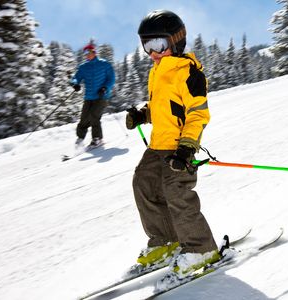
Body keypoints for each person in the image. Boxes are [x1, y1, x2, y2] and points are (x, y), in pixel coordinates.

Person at [125, 10, 219, 279]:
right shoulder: (157, 71)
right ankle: (165, 241)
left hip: (180, 147)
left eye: (159, 45)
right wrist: (143, 114)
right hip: (157, 145)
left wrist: (187, 147)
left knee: (177, 194)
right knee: (143, 184)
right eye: (147, 46)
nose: (153, 53)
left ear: (176, 41)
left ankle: (201, 248)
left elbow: (197, 113)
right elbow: (162, 107)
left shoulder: (189, 73)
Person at [70, 42, 115, 147]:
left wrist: (105, 87)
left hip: (101, 96)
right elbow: (76, 78)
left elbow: (111, 78)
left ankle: (97, 138)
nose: (87, 54)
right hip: (88, 97)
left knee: (94, 116)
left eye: (89, 52)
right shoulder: (83, 67)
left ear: (94, 52)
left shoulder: (104, 64)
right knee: (84, 118)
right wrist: (75, 84)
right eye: (85, 53)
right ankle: (80, 137)